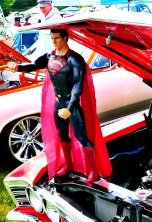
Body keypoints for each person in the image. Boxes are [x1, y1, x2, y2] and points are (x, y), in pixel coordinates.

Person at [7, 29, 112, 182]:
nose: (54, 41)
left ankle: (92, 172)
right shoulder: (50, 56)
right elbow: (34, 65)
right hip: (59, 101)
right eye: (52, 38)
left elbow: (78, 85)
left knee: (82, 136)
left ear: (65, 38)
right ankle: (68, 165)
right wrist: (18, 67)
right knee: (62, 135)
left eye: (56, 38)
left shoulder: (75, 59)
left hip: (71, 103)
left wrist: (70, 108)